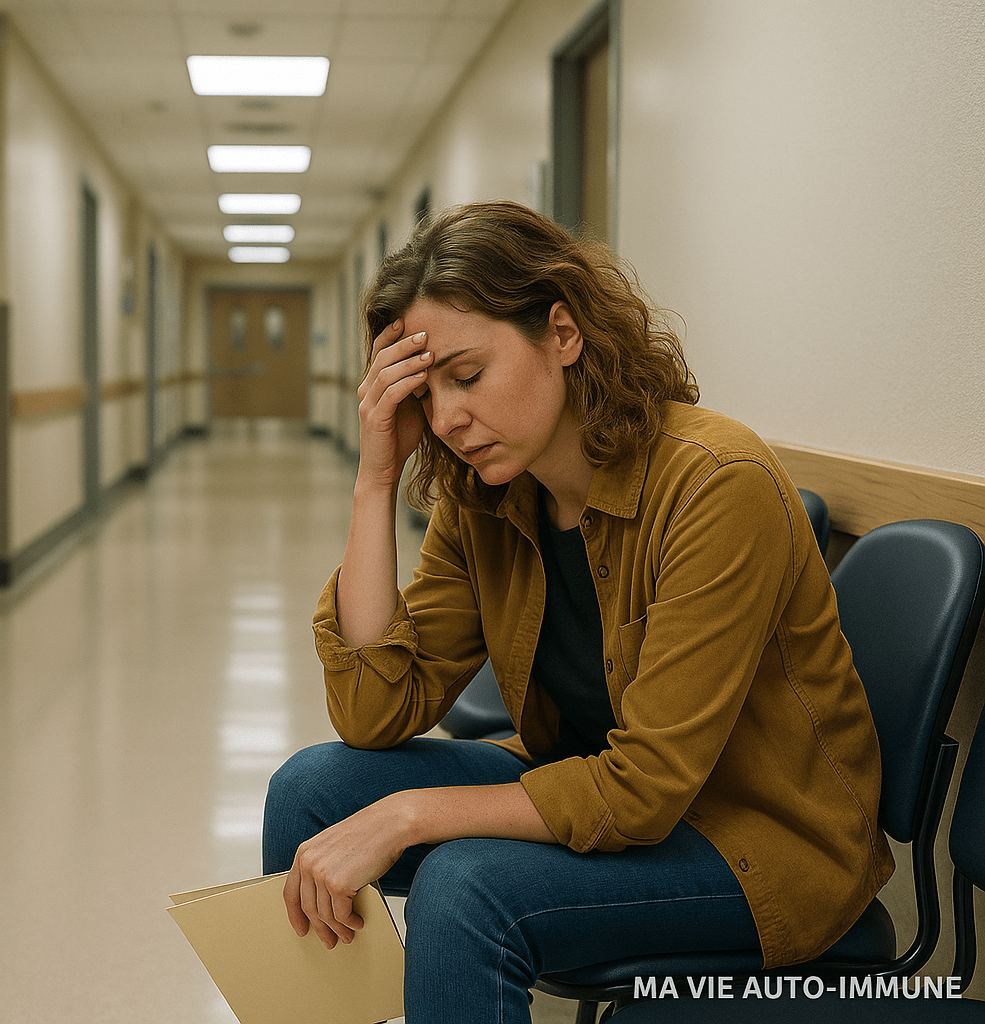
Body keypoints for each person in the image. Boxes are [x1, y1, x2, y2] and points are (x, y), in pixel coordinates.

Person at [262, 200, 894, 1023]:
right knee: (309, 791)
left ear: (563, 334)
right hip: (586, 791)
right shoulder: (485, 495)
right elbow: (373, 711)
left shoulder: (715, 482)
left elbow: (642, 792)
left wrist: (408, 813)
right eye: (427, 393)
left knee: (464, 888)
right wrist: (375, 479)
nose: (447, 420)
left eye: (467, 375)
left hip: (750, 843)